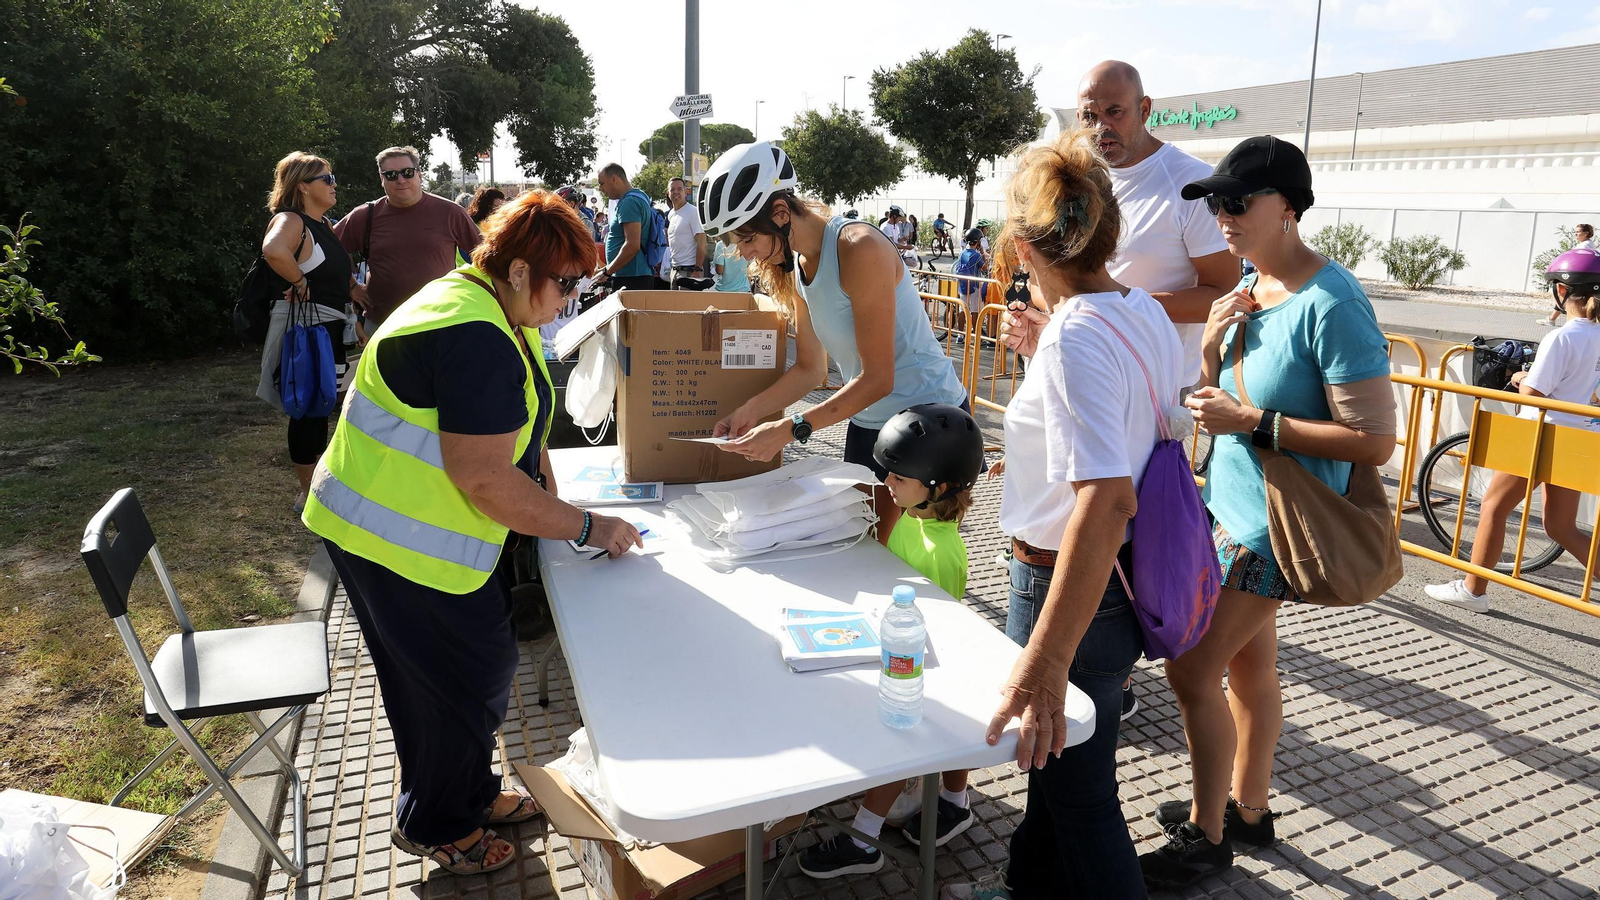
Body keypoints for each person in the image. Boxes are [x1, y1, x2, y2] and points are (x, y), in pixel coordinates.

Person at [303, 191, 644, 877]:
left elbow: (522, 425)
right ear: (519, 270)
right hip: (393, 543)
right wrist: (585, 526)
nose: (569, 300)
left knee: (462, 677)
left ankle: (467, 793)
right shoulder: (475, 334)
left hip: (398, 531)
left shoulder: (484, 303)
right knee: (459, 683)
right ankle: (438, 824)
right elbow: (485, 478)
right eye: (565, 284)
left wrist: (551, 496)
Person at [1134, 136, 1396, 890]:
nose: (1222, 216)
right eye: (1216, 202)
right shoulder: (1255, 283)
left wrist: (1254, 423)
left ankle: (1206, 835)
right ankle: (1246, 808)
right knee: (1250, 669)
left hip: (1276, 528)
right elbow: (1223, 404)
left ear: (1290, 206)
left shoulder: (1333, 302)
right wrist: (1212, 352)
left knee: (1191, 672)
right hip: (1232, 504)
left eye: (1238, 201)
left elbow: (1375, 442)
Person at [942, 127, 1186, 900]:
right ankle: (1025, 886)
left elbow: (1108, 500)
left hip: (1067, 587)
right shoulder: (1137, 309)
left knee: (1082, 796)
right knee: (1058, 763)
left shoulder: (1077, 335)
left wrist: (1045, 660)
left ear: (1019, 246)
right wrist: (1046, 354)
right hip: (1115, 583)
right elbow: (1127, 418)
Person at [699, 142, 969, 544]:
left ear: (780, 213)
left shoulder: (859, 247)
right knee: (862, 552)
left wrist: (788, 430)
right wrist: (750, 413)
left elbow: (878, 378)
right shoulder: (796, 264)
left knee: (909, 568)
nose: (745, 253)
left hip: (928, 425)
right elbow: (811, 368)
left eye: (748, 238)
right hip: (869, 421)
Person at [797, 404, 986, 879]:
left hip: (920, 666)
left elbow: (940, 627)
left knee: (900, 738)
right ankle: (954, 801)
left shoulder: (939, 549)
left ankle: (866, 839)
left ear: (937, 487)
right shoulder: (915, 521)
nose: (887, 484)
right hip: (907, 647)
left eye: (898, 478)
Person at [1428, 247, 1600, 612]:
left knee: (1492, 506)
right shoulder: (1597, 336)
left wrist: (1521, 376)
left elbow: (1534, 395)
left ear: (1562, 291)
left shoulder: (1562, 336)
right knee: (1562, 528)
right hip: (1578, 435)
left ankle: (1473, 590)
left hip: (1540, 433)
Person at [1075, 61, 1237, 387]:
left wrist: (1120, 307)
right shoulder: (1077, 177)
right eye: (1090, 116)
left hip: (1156, 384)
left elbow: (1223, 294)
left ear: (1144, 108)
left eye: (1114, 111)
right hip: (1085, 367)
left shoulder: (1192, 182)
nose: (1100, 127)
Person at [254, 152, 354, 512]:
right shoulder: (291, 219)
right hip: (306, 330)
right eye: (326, 179)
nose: (334, 184)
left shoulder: (324, 225)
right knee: (306, 409)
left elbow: (342, 279)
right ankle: (307, 492)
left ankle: (318, 485)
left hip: (331, 329)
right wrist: (298, 280)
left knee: (322, 405)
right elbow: (273, 250)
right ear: (302, 186)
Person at [334, 146, 482, 326]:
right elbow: (329, 248)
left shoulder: (451, 212)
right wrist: (352, 286)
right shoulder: (365, 215)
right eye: (391, 175)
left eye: (407, 172)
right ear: (382, 179)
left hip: (441, 319)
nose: (401, 180)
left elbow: (484, 254)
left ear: (419, 175)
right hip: (383, 323)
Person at [593, 162, 661, 291]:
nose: (601, 189)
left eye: (602, 183)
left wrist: (607, 271)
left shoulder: (629, 203)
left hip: (632, 278)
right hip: (633, 276)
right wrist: (606, 270)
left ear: (614, 179)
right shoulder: (637, 196)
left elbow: (632, 244)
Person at [1540, 224, 1595, 325]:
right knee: (1565, 296)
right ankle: (1552, 319)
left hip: (1577, 277)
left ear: (1586, 233)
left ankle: (1553, 320)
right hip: (1581, 277)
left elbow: (1576, 261)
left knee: (1565, 295)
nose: (1576, 234)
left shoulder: (1585, 246)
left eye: (1578, 231)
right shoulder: (1588, 244)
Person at [666, 176, 707, 287]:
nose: (675, 192)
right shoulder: (671, 215)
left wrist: (697, 269)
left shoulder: (692, 212)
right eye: (672, 190)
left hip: (690, 271)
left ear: (686, 192)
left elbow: (702, 242)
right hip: (674, 271)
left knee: (687, 305)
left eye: (679, 189)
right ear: (668, 193)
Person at [952, 228, 988, 343]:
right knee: (974, 311)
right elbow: (985, 268)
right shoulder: (976, 255)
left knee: (963, 310)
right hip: (974, 286)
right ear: (977, 241)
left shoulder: (962, 253)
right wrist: (982, 252)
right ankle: (976, 335)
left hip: (962, 285)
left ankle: (960, 335)